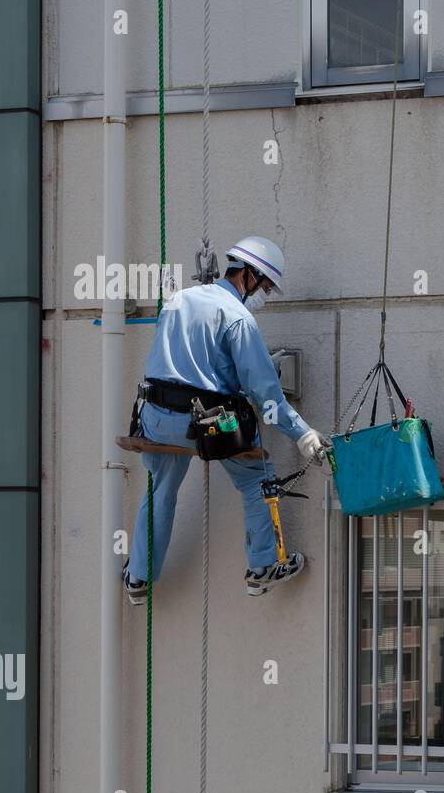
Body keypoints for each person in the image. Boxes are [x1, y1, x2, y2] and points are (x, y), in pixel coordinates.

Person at [121, 236, 328, 603]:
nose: (263, 294)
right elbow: (265, 393)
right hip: (210, 425)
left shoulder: (178, 300)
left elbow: (178, 364)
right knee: (255, 478)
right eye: (264, 285)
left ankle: (137, 576)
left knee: (162, 487)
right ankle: (263, 568)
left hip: (155, 418)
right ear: (248, 275)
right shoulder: (238, 319)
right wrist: (302, 434)